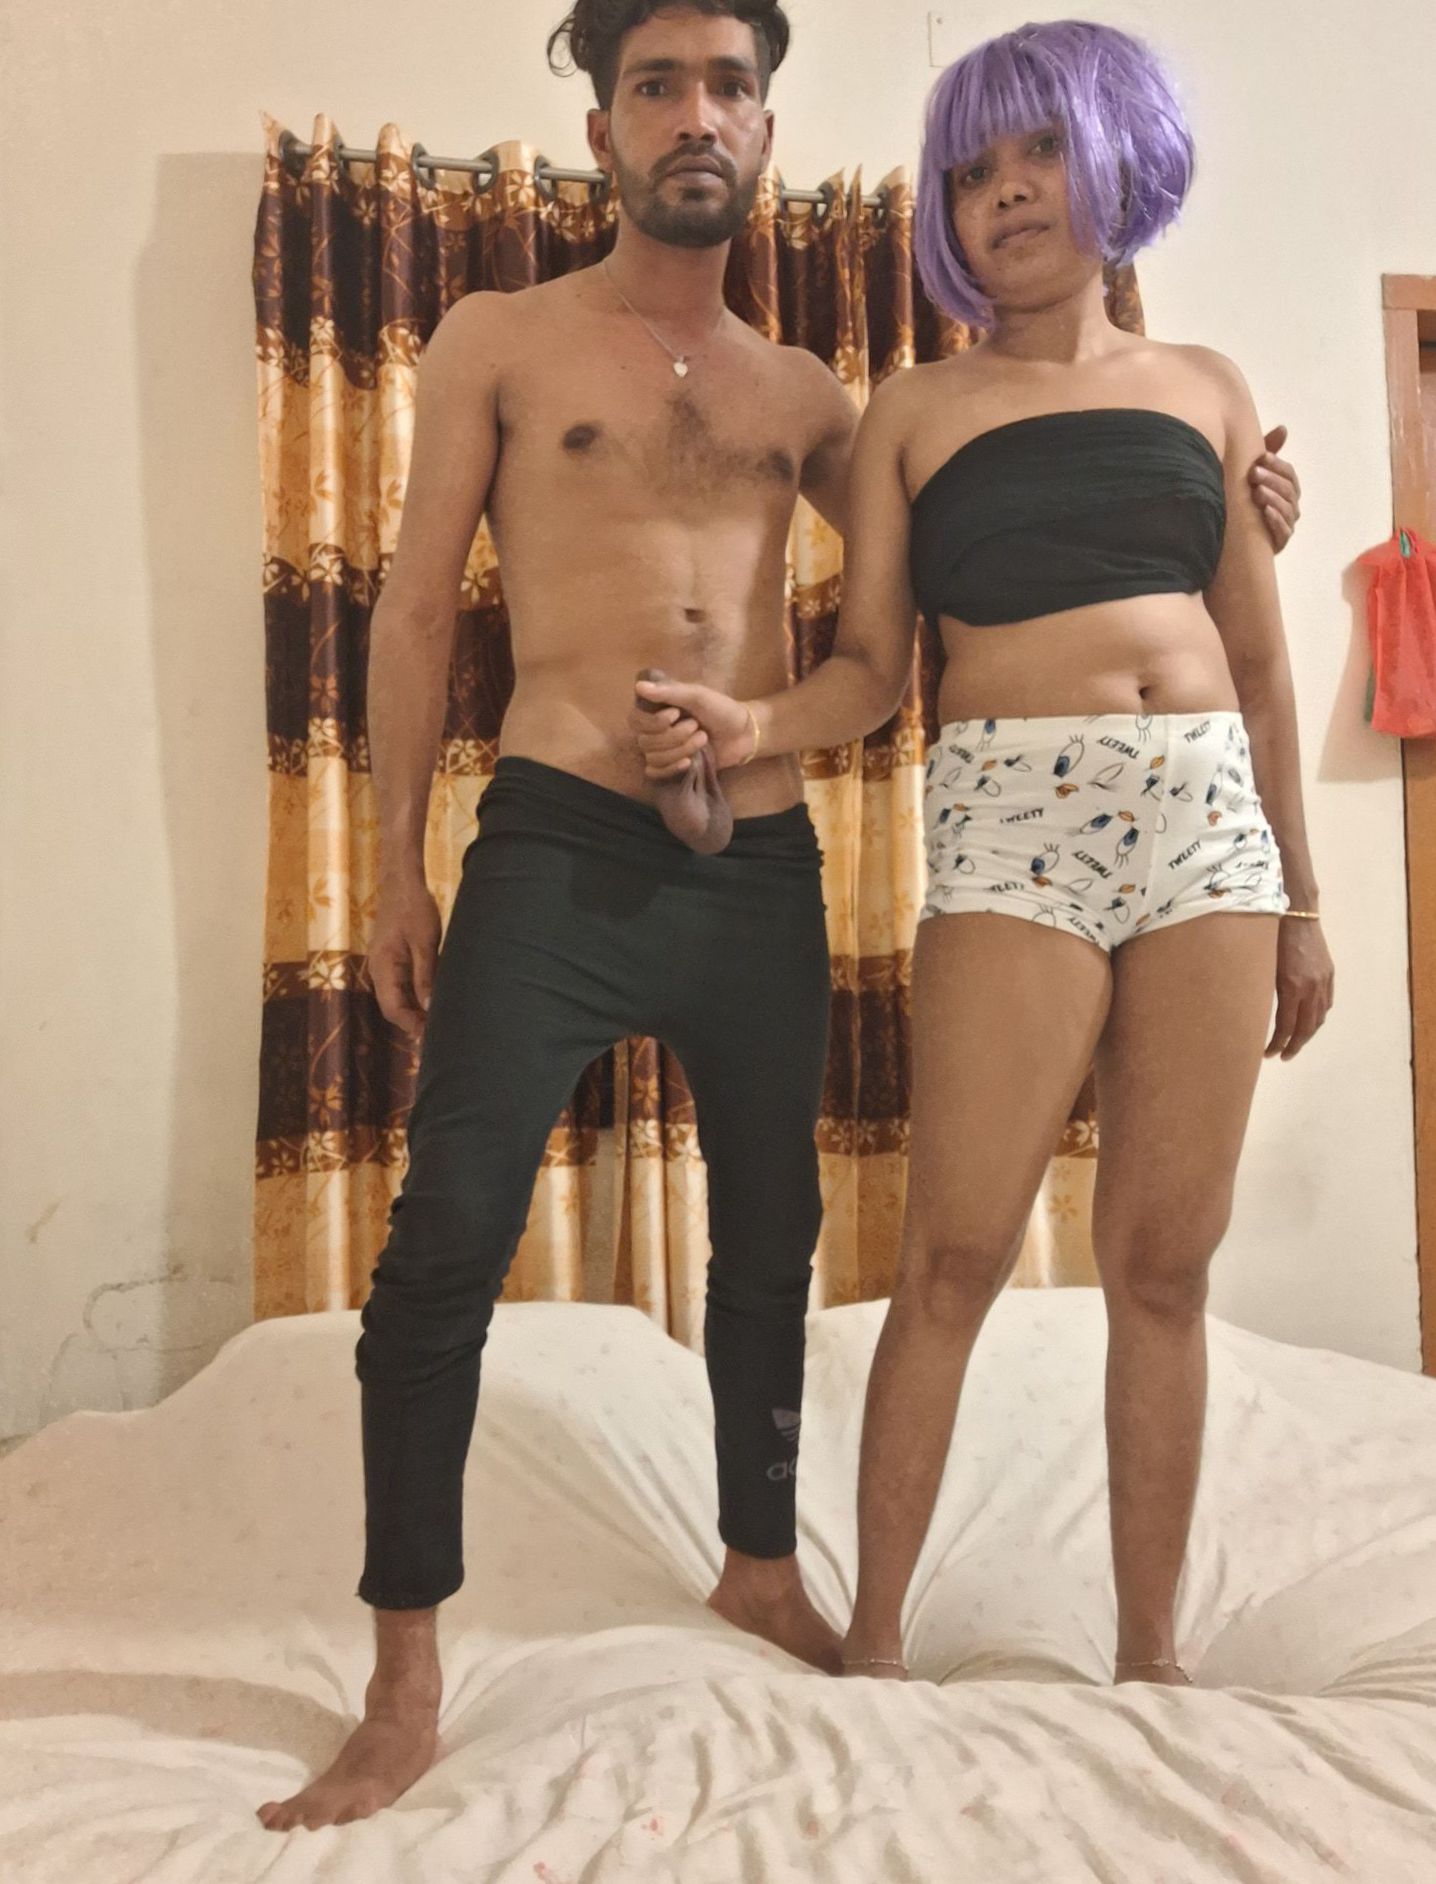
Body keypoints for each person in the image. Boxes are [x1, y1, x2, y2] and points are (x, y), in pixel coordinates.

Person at [259, 1, 1301, 1833]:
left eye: (728, 86)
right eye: (656, 84)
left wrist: (1223, 500)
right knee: (442, 1248)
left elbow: (976, 525)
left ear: (764, 128)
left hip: (754, 861)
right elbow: (413, 612)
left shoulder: (820, 398)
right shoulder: (499, 337)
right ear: (603, 127)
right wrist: (398, 863)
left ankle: (763, 1572)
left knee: (772, 1244)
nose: (694, 113)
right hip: (554, 841)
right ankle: (403, 1677)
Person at [632, 18, 1332, 1693]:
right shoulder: (913, 412)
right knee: (952, 1254)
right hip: (1014, 819)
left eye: (1040, 154)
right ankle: (876, 1641)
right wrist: (753, 723)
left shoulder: (1209, 390)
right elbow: (876, 667)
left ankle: (1151, 1657)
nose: (1006, 191)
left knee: (1164, 1266)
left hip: (1207, 829)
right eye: (972, 170)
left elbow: (1259, 663)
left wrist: (1302, 898)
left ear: (1114, 163)